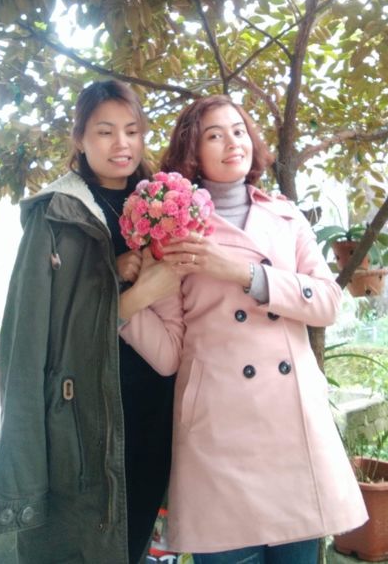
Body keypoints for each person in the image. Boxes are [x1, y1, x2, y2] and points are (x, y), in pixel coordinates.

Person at [120, 96, 368, 563]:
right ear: (193, 151)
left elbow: (328, 302)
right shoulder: (173, 231)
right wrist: (125, 307)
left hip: (293, 431)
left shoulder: (286, 217)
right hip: (218, 438)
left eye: (238, 131)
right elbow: (170, 353)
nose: (232, 142)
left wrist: (242, 273)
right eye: (214, 135)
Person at [0, 79, 185, 564]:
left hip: (153, 415)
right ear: (80, 139)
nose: (121, 144)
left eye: (132, 131)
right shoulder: (57, 215)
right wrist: (129, 290)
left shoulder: (164, 204)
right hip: (85, 424)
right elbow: (30, 336)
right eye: (104, 131)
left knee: (134, 546)